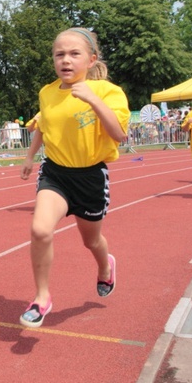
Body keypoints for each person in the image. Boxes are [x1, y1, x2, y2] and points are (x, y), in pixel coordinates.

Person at [19, 27, 129, 328]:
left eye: (74, 54)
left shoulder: (109, 92)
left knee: (91, 241)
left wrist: (93, 99)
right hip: (56, 173)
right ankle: (42, 298)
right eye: (59, 54)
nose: (65, 60)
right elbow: (43, 125)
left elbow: (119, 134)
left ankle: (106, 267)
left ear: (91, 59)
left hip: (90, 176)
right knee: (40, 230)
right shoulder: (47, 92)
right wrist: (30, 158)